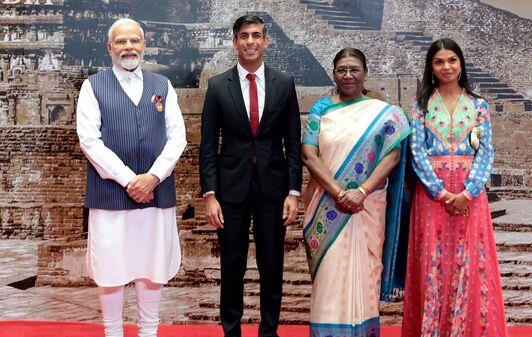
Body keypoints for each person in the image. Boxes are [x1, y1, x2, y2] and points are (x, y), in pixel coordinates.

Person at [76, 18, 187, 337]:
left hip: (156, 196)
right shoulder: (93, 86)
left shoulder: (162, 86)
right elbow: (89, 140)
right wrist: (129, 180)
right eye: (121, 42)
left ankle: (148, 332)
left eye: (134, 41)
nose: (128, 47)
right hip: (110, 197)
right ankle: (113, 332)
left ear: (144, 45)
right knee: (110, 270)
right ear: (110, 47)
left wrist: (152, 178)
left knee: (152, 267)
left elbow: (176, 137)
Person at [199, 14, 302, 337]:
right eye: (244, 36)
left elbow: (293, 142)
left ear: (266, 41)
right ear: (235, 42)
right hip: (230, 192)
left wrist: (293, 192)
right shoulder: (217, 86)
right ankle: (231, 331)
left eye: (256, 35)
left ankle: (268, 331)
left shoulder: (284, 83)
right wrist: (210, 195)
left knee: (272, 266)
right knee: (232, 267)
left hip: (273, 190)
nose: (250, 42)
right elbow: (207, 146)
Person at [401, 38, 508, 337]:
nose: (446, 66)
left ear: (461, 64)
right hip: (432, 197)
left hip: (469, 196)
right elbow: (417, 153)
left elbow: (486, 151)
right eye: (439, 62)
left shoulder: (479, 106)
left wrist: (469, 192)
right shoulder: (421, 107)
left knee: (470, 264)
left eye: (452, 60)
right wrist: (441, 192)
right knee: (432, 264)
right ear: (431, 68)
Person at [301, 48, 411, 337]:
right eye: (341, 70)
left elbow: (393, 155)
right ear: (333, 73)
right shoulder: (321, 109)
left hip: (367, 207)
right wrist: (339, 192)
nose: (348, 76)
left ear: (365, 73)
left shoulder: (384, 113)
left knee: (365, 278)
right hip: (327, 206)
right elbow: (309, 155)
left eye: (354, 70)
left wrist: (361, 191)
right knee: (328, 282)